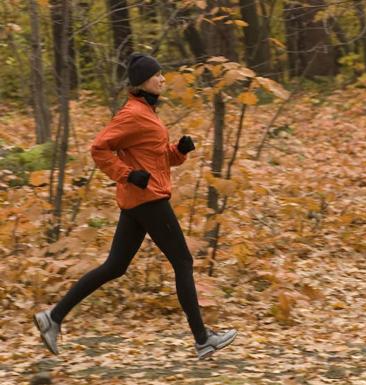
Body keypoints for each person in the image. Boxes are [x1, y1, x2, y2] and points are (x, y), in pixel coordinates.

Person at [33, 53, 237, 360]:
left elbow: (153, 158)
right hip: (149, 200)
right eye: (158, 75)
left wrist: (178, 151)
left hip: (139, 200)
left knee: (115, 266)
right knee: (183, 261)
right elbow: (99, 148)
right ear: (143, 80)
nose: (163, 79)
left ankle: (54, 317)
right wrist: (126, 174)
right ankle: (202, 339)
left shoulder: (146, 111)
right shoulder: (132, 114)